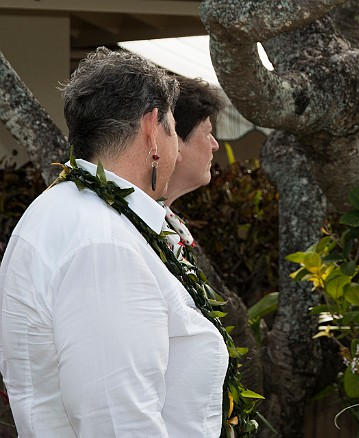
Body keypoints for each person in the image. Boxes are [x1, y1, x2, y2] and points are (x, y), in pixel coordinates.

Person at [0, 47, 229, 437]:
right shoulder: (104, 244)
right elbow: (118, 419)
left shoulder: (72, 209)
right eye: (174, 129)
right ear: (152, 128)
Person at [162, 76, 223, 258]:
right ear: (173, 140)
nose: (215, 145)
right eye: (207, 133)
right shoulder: (134, 226)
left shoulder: (171, 223)